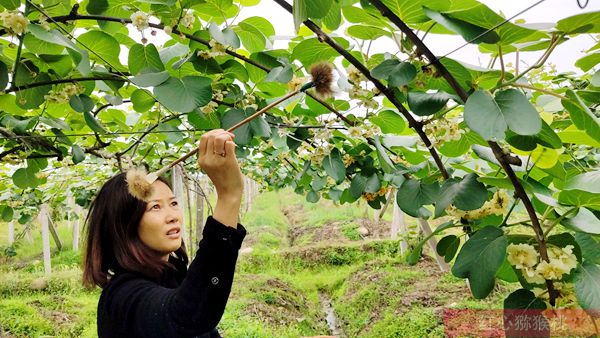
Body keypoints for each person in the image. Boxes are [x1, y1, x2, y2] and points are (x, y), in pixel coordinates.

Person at [82, 129, 245, 338]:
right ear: (124, 225)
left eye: (173, 203)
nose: (173, 216)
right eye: (155, 207)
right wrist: (229, 195)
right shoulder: (123, 297)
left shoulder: (172, 275)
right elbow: (189, 315)